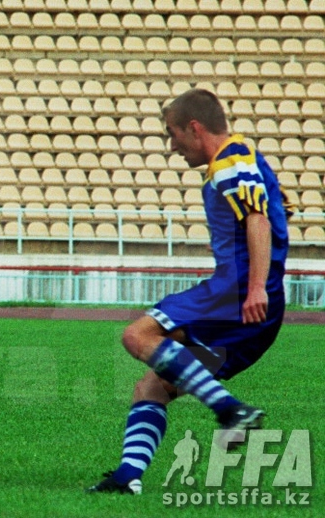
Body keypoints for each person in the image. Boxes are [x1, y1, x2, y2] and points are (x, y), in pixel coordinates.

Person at [86, 89, 291, 495]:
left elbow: (257, 219)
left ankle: (231, 410)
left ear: (194, 128)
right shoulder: (240, 159)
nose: (171, 146)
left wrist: (253, 290)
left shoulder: (231, 158)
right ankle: (128, 478)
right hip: (255, 310)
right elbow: (271, 207)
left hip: (236, 296)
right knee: (153, 385)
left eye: (172, 133)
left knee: (137, 335)